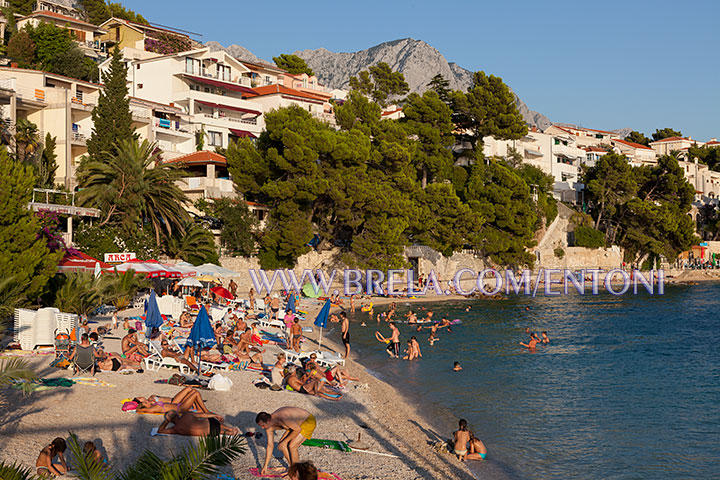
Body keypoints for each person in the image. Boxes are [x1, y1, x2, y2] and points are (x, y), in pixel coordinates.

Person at [256, 407, 316, 476]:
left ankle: (295, 473)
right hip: (295, 425)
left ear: (268, 421)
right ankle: (293, 468)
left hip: (308, 420)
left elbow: (297, 429)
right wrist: (265, 466)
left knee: (292, 446)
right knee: (282, 445)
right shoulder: (269, 427)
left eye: (263, 425)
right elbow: (270, 445)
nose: (262, 428)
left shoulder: (282, 417)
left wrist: (285, 441)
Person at [158, 410, 239, 436]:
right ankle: (229, 428)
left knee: (212, 431)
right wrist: (215, 415)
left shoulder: (175, 429)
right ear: (177, 415)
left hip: (211, 433)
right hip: (213, 423)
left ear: (171, 421)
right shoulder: (187, 415)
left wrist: (167, 420)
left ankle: (228, 433)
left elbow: (160, 431)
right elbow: (203, 415)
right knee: (207, 421)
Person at [133, 386, 210, 414]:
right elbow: (140, 410)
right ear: (145, 407)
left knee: (193, 391)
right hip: (180, 408)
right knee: (196, 393)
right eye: (145, 403)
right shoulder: (153, 408)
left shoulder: (153, 403)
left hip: (178, 404)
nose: (146, 401)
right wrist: (137, 409)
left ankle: (199, 409)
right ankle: (206, 411)